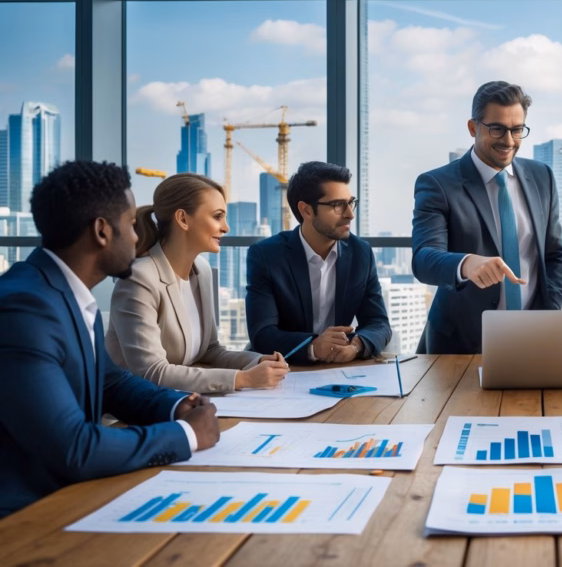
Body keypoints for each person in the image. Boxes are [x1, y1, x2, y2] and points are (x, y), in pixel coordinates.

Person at [0, 160, 219, 518]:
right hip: (24, 519)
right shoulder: (26, 310)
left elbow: (111, 383)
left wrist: (176, 405)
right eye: (131, 224)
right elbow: (75, 448)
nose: (137, 237)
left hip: (70, 499)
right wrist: (186, 436)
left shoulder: (60, 295)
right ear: (102, 231)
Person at [412, 80, 562, 354]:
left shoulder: (542, 177)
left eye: (517, 130)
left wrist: (549, 314)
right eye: (497, 129)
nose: (509, 141)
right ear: (473, 128)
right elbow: (424, 258)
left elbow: (554, 254)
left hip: (532, 341)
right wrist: (466, 264)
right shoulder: (438, 184)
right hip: (459, 346)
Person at [106, 174, 289, 393]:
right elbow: (151, 372)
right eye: (218, 217)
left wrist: (258, 362)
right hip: (134, 413)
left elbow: (210, 351)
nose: (226, 227)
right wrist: (242, 379)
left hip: (184, 400)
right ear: (183, 219)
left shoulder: (201, 270)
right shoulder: (139, 279)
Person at [246, 161, 391, 365]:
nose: (350, 214)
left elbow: (379, 324)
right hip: (284, 367)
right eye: (338, 205)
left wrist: (357, 345)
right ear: (306, 210)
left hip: (341, 368)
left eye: (351, 202)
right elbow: (262, 335)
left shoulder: (361, 253)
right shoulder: (266, 255)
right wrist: (313, 347)